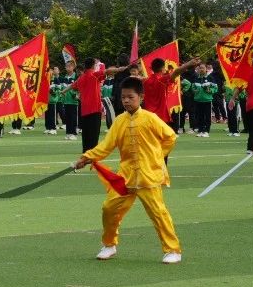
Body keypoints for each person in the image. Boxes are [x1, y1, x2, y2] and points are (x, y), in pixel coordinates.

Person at [74, 77, 183, 264]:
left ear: (140, 97)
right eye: (123, 97)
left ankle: (172, 250)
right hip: (125, 177)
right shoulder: (119, 121)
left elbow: (170, 137)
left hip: (149, 176)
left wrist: (157, 156)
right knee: (108, 208)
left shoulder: (151, 118)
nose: (126, 100)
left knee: (158, 212)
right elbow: (106, 146)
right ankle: (109, 244)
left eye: (130, 97)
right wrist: (87, 157)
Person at [69, 58, 131, 151]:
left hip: (84, 109)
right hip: (94, 108)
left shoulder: (81, 78)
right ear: (93, 65)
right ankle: (92, 151)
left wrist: (63, 91)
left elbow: (72, 86)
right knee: (94, 132)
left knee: (86, 132)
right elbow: (108, 71)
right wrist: (121, 69)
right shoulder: (94, 75)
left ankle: (85, 151)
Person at [184, 62, 218, 138]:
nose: (201, 69)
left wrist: (210, 91)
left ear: (206, 69)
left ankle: (206, 131)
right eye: (200, 68)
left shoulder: (210, 78)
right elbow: (193, 87)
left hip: (207, 100)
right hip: (197, 100)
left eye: (203, 68)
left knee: (207, 116)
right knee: (199, 116)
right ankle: (200, 130)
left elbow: (215, 88)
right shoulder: (196, 78)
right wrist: (194, 91)